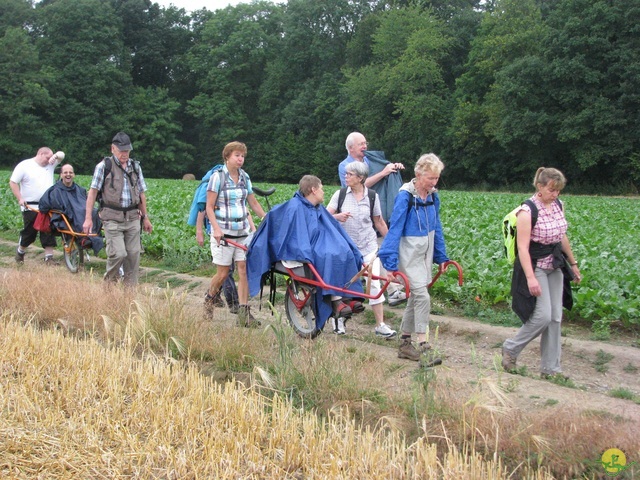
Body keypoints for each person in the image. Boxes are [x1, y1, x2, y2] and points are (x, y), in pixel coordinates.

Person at [246, 175, 364, 333]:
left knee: (347, 251)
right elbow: (292, 234)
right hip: (305, 247)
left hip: (320, 241)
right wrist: (303, 250)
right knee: (328, 255)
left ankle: (350, 297)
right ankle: (335, 300)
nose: (323, 192)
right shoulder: (295, 207)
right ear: (313, 190)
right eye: (321, 188)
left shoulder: (316, 207)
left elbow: (330, 224)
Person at [502, 167, 582, 380]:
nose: (555, 194)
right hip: (535, 265)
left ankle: (551, 369)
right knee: (543, 315)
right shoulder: (527, 212)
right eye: (552, 190)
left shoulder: (558, 205)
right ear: (540, 187)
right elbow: (523, 249)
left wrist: (573, 264)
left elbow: (561, 236)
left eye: (558, 190)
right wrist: (530, 278)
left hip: (555, 265)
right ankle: (511, 347)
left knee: (556, 317)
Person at [379, 153, 449, 366]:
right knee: (422, 297)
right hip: (408, 254)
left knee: (415, 298)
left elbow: (436, 227)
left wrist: (441, 256)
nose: (434, 182)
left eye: (436, 178)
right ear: (418, 175)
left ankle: (405, 343)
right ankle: (423, 345)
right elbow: (394, 229)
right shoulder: (405, 197)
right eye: (430, 178)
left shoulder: (433, 197)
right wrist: (390, 263)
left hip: (424, 256)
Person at [327, 161, 397, 338]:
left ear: (360, 178)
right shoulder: (340, 194)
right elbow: (325, 216)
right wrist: (337, 217)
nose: (346, 176)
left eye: (350, 174)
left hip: (368, 248)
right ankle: (339, 320)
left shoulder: (372, 197)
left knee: (373, 283)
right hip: (346, 250)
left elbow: (378, 222)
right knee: (346, 284)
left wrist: (391, 243)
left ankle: (380, 325)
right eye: (346, 174)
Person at [339, 131, 407, 307]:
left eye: (365, 143)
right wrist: (383, 173)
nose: (365, 146)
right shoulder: (345, 166)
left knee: (380, 252)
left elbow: (381, 173)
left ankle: (392, 289)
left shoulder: (370, 162)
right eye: (361, 144)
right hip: (356, 221)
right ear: (350, 147)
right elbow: (358, 184)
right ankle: (383, 292)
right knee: (372, 258)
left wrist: (392, 168)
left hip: (374, 214)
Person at [203, 141, 266, 327]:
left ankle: (243, 313)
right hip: (223, 234)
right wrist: (216, 229)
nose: (241, 159)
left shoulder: (245, 177)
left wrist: (266, 218)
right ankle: (209, 298)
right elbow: (208, 206)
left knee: (243, 270)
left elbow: (252, 203)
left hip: (242, 233)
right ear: (227, 156)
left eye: (243, 156)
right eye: (237, 155)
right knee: (222, 274)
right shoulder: (218, 177)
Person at [83, 132, 153, 286]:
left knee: (133, 256)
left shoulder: (135, 167)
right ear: (112, 149)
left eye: (127, 151)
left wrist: (146, 217)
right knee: (118, 254)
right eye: (121, 151)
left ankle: (129, 296)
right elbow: (93, 192)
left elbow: (141, 194)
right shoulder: (103, 167)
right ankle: (109, 287)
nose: (124, 154)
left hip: (133, 217)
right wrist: (88, 218)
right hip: (112, 217)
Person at [9, 147, 64, 264]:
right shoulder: (24, 165)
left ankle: (49, 258)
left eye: (50, 158)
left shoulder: (50, 164)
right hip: (29, 205)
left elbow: (62, 154)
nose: (49, 160)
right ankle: (20, 251)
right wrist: (20, 198)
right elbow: (13, 182)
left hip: (47, 205)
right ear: (40, 154)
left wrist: (55, 156)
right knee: (30, 232)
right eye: (47, 157)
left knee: (48, 229)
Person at [39, 164, 104, 255]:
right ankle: (84, 238)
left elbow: (86, 201)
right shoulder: (54, 190)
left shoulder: (79, 189)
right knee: (77, 213)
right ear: (61, 175)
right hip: (67, 215)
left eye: (70, 172)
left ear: (74, 175)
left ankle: (94, 236)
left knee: (94, 212)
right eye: (65, 172)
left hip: (81, 211)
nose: (68, 174)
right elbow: (44, 205)